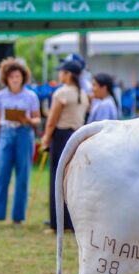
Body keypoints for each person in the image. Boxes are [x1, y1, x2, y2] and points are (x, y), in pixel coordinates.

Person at [0, 59, 41, 228]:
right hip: (6, 132)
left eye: (18, 76)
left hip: (24, 133)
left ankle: (18, 217)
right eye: (12, 77)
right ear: (6, 79)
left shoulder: (31, 96)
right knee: (0, 175)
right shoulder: (0, 96)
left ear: (23, 78)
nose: (15, 80)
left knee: (22, 176)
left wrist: (29, 120)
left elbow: (38, 118)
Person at [42, 59, 89, 231]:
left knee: (57, 179)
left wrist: (46, 137)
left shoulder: (61, 93)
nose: (59, 75)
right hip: (77, 136)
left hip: (61, 136)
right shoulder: (82, 94)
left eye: (61, 72)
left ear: (68, 75)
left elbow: (52, 120)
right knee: (73, 180)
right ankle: (71, 221)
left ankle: (57, 223)